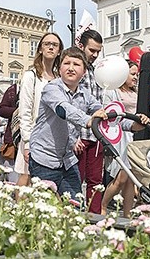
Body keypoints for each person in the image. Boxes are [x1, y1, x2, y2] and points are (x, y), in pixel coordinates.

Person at [29, 47, 106, 197]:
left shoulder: (85, 94)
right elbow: (63, 109)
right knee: (45, 210)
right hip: (44, 159)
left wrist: (132, 124)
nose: (71, 68)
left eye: (76, 64)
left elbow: (100, 110)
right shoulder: (51, 88)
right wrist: (88, 120)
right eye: (66, 63)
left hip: (67, 160)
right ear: (60, 68)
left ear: (84, 73)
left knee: (75, 207)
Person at [100, 60, 148, 216]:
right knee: (121, 177)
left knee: (129, 178)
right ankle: (103, 205)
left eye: (137, 74)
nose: (135, 77)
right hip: (119, 134)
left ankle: (127, 213)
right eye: (132, 74)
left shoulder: (135, 92)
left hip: (132, 134)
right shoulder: (114, 91)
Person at [17, 32, 63, 187]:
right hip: (33, 137)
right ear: (40, 49)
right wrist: (27, 142)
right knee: (26, 178)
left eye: (55, 45)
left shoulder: (59, 79)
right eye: (47, 44)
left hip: (53, 139)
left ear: (59, 51)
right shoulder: (31, 76)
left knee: (46, 183)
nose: (51, 47)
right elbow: (25, 111)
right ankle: (16, 211)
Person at [76, 29, 105, 213]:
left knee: (96, 181)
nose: (94, 55)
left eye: (97, 52)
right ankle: (73, 218)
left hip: (96, 134)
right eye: (92, 50)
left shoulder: (97, 72)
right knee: (76, 179)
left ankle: (95, 219)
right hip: (79, 133)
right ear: (81, 46)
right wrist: (72, 137)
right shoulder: (75, 69)